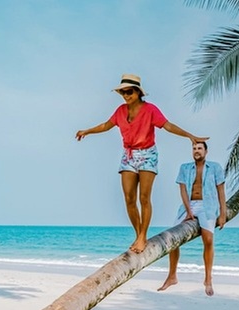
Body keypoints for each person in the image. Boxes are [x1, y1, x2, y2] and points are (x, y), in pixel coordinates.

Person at [75, 74, 209, 253]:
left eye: (129, 91)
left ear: (138, 92)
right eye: (123, 92)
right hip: (128, 155)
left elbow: (168, 125)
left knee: (144, 198)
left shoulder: (150, 109)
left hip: (147, 155)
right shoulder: (120, 111)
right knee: (129, 198)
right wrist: (87, 131)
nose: (126, 95)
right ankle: (139, 234)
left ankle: (143, 236)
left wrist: (190, 136)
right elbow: (106, 125)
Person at [158, 142, 226, 296]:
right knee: (173, 238)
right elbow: (182, 191)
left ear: (206, 151)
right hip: (188, 205)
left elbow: (221, 191)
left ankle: (208, 279)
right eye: (194, 149)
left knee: (208, 240)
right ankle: (172, 276)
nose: (196, 151)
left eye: (199, 148)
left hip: (207, 206)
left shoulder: (215, 167)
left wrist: (222, 213)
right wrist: (188, 211)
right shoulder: (185, 168)